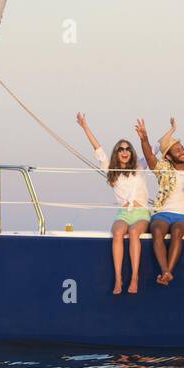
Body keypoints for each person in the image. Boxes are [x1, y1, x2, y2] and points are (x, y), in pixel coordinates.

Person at [76, 113, 150, 295]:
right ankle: (118, 278)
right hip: (124, 214)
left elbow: (151, 152)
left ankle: (134, 277)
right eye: (120, 149)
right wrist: (85, 127)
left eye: (127, 149)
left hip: (141, 213)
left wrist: (144, 137)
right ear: (117, 153)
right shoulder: (111, 170)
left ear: (131, 153)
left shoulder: (139, 167)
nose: (124, 152)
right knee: (117, 232)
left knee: (133, 232)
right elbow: (98, 150)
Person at [137, 117, 184, 285]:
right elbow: (151, 158)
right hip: (163, 213)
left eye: (182, 148)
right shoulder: (165, 169)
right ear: (167, 157)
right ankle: (165, 271)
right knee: (157, 230)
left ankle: (168, 272)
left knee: (177, 232)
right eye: (177, 150)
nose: (182, 151)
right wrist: (144, 139)